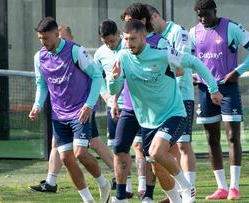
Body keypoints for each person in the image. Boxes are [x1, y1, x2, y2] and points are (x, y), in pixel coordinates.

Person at [109, 19, 223, 203]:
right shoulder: (122, 57)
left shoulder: (162, 54)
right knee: (157, 168)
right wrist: (114, 79)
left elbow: (194, 62)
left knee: (155, 152)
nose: (129, 44)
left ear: (144, 37)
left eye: (133, 39)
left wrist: (213, 88)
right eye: (127, 39)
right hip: (146, 121)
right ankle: (176, 200)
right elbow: (114, 90)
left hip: (173, 114)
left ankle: (187, 187)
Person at [29, 17, 111, 203]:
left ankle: (103, 183)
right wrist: (37, 105)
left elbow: (97, 76)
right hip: (58, 115)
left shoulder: (75, 51)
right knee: (66, 158)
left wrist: (89, 105)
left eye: (46, 38)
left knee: (80, 153)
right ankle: (88, 200)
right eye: (40, 39)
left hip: (80, 111)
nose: (43, 42)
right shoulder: (39, 57)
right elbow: (41, 84)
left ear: (57, 34)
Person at [189, 0, 249, 200]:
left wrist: (238, 71)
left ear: (215, 11)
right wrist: (194, 76)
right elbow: (189, 59)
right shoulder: (193, 32)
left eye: (206, 14)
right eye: (199, 15)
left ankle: (234, 187)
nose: (203, 19)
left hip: (228, 88)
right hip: (205, 90)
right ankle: (221, 188)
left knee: (232, 136)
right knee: (211, 139)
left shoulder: (231, 27)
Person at [113, 3, 170, 202]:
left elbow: (175, 73)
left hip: (154, 111)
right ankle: (121, 196)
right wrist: (114, 100)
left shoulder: (161, 44)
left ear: (143, 23)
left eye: (129, 22)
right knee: (120, 147)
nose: (126, 29)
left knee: (151, 154)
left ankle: (149, 196)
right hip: (130, 107)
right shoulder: (127, 43)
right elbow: (120, 75)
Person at [144, 4, 197, 203]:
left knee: (183, 144)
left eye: (147, 22)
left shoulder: (179, 32)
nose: (146, 28)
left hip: (181, 97)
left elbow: (181, 65)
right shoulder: (154, 39)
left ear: (155, 17)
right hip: (163, 100)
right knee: (166, 149)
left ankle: (189, 190)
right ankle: (179, 192)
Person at [94, 19, 146, 198]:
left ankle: (143, 185)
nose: (110, 44)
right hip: (114, 107)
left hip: (134, 105)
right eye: (106, 41)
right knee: (119, 148)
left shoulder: (130, 47)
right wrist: (104, 94)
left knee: (138, 145)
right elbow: (96, 76)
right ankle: (127, 187)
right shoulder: (100, 54)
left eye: (112, 40)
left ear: (119, 34)